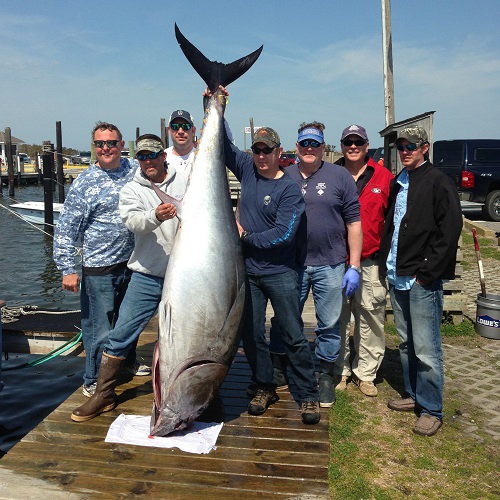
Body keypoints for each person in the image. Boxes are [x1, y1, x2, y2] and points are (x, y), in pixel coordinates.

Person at [212, 91, 320, 424]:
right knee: (252, 335)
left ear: (279, 152)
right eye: (256, 150)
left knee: (292, 334)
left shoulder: (289, 188)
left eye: (266, 150)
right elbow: (224, 146)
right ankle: (264, 385)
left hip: (280, 273)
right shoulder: (246, 169)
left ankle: (308, 394)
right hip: (248, 274)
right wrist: (216, 106)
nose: (261, 156)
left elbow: (283, 235)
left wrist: (244, 237)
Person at [71, 134, 186, 422]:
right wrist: (156, 216)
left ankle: (189, 391)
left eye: (152, 155)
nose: (148, 161)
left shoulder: (186, 181)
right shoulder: (131, 190)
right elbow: (133, 222)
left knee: (185, 337)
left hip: (185, 277)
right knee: (120, 335)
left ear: (164, 156)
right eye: (142, 156)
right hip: (147, 276)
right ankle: (103, 393)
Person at [379, 126, 462, 436]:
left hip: (421, 280)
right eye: (401, 146)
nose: (405, 151)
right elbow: (393, 225)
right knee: (406, 343)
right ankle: (413, 395)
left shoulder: (439, 182)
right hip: (396, 273)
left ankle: (431, 408)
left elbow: (450, 230)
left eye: (411, 146)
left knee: (427, 348)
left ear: (425, 148)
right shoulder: (398, 182)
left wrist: (426, 273)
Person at [279, 122, 363, 409]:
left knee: (328, 325)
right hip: (293, 264)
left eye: (315, 144)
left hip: (331, 263)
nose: (310, 149)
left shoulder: (340, 176)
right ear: (296, 146)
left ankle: (326, 375)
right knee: (286, 320)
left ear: (323, 147)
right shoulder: (284, 175)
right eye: (305, 144)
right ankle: (284, 366)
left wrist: (354, 266)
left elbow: (354, 222)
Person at [53, 122, 140, 398]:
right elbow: (66, 228)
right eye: (100, 144)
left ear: (121, 145)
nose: (106, 148)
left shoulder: (134, 170)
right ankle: (93, 378)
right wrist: (68, 268)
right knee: (99, 329)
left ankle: (126, 364)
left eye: (111, 143)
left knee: (128, 322)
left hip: (133, 263)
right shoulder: (84, 182)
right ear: (94, 147)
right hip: (99, 267)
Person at [334, 125, 394, 397]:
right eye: (348, 142)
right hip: (336, 261)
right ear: (342, 145)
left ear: (367, 145)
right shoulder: (331, 174)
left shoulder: (384, 178)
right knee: (336, 318)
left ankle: (366, 373)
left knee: (371, 317)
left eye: (358, 141)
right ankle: (340, 370)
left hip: (370, 263)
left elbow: (394, 221)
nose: (353, 146)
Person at [165, 109, 196, 178]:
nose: (180, 131)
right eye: (175, 127)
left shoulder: (202, 158)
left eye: (186, 126)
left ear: (193, 130)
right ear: (169, 130)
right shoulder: (161, 159)